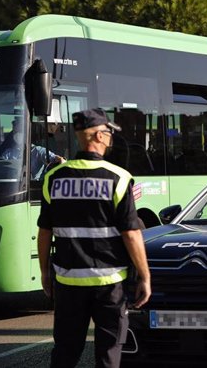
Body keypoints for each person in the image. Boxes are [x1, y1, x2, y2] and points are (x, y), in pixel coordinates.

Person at [37, 108, 151, 368]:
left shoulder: (53, 178)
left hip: (68, 282)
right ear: (98, 136)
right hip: (109, 284)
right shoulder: (119, 179)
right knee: (108, 353)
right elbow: (131, 234)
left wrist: (45, 272)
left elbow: (45, 232)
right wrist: (145, 276)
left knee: (65, 352)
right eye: (108, 133)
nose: (110, 138)